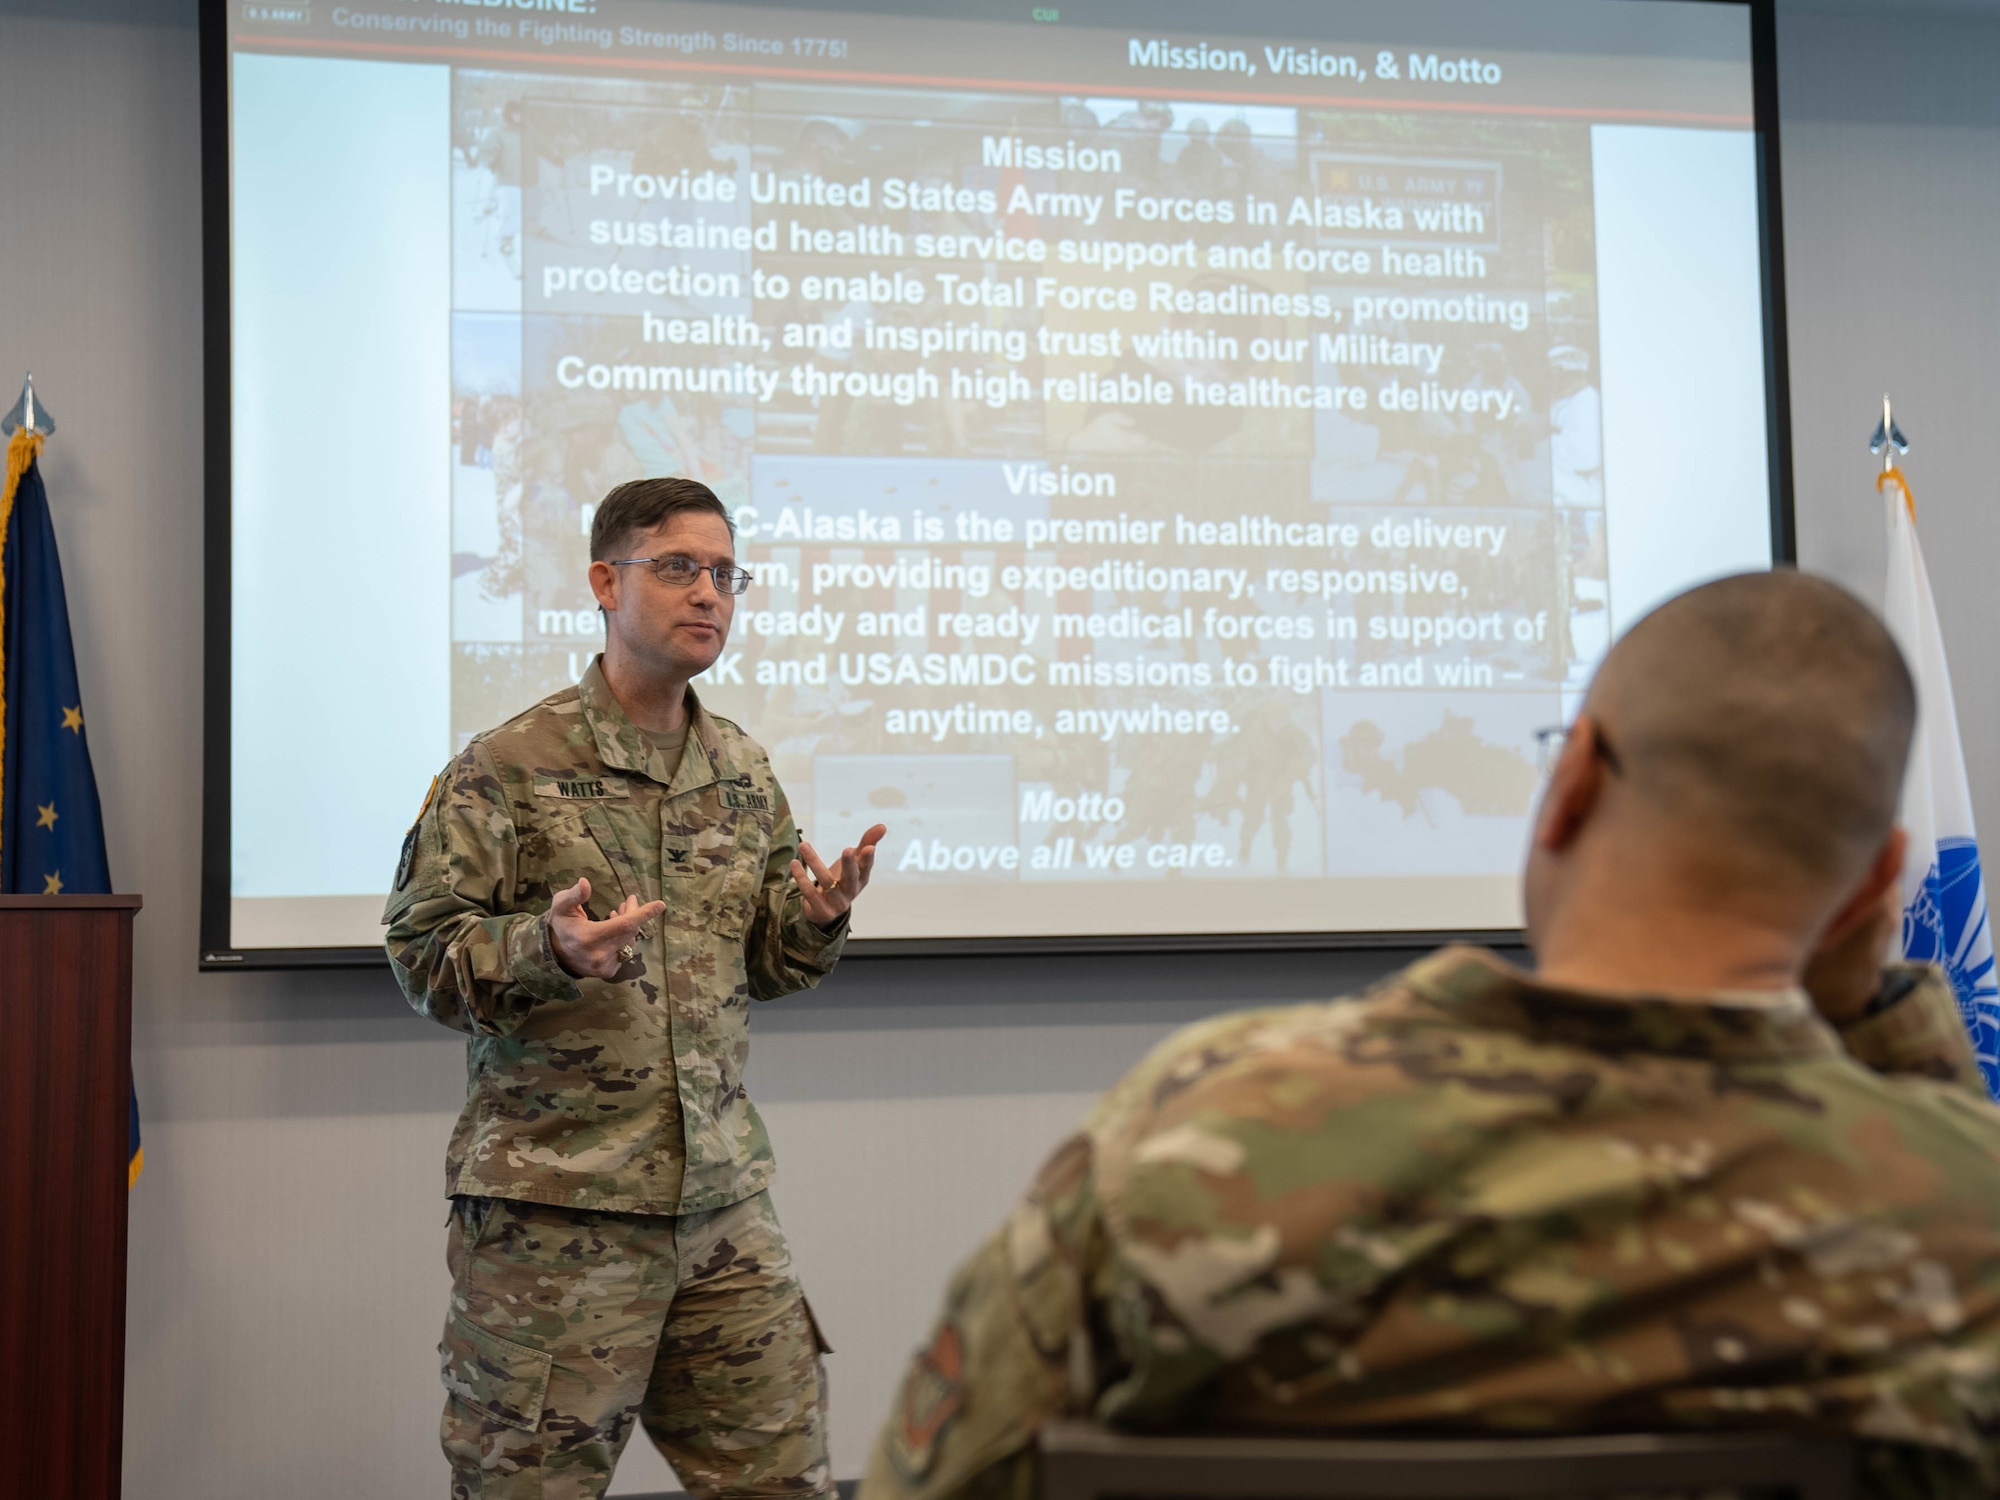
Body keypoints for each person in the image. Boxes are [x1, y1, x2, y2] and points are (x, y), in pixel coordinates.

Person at [861, 570, 2000, 1500]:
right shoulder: (1962, 1220)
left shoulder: (1189, 1130)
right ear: (1873, 889)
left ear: (1567, 784)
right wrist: (1884, 1022)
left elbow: (940, 1482)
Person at [387, 476, 887, 1500]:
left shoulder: (741, 769)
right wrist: (545, 950)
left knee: (785, 1483)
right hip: (555, 1226)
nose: (708, 593)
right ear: (604, 582)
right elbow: (421, 956)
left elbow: (762, 964)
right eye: (676, 568)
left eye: (723, 574)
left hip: (721, 1217)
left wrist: (816, 921)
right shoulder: (506, 768)